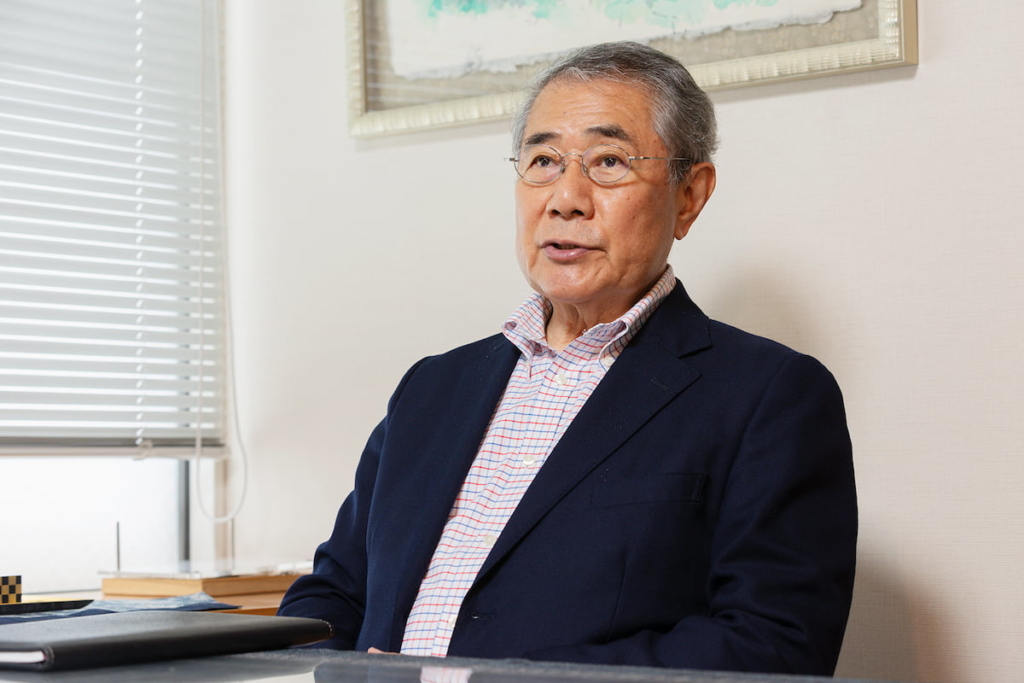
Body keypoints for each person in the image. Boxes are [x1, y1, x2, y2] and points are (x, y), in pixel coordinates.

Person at [278, 41, 857, 676]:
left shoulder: (769, 395)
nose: (565, 198)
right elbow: (333, 595)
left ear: (689, 196)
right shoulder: (432, 387)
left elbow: (774, 645)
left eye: (609, 161)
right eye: (544, 161)